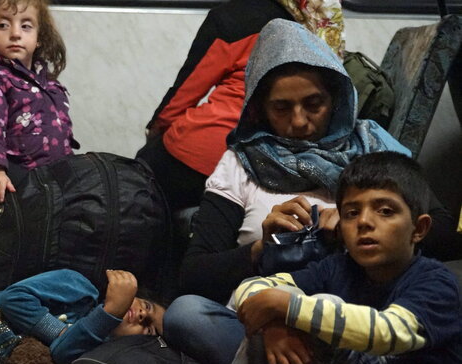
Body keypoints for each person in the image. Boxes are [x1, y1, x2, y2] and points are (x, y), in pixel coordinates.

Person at [174, 18, 461, 306]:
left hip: (359, 311)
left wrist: (354, 228)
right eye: (281, 108)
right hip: (266, 311)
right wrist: (263, 248)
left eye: (314, 105)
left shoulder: (373, 148)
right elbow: (195, 275)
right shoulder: (243, 162)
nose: (299, 122)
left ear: (336, 99)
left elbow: (444, 237)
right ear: (259, 109)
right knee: (188, 312)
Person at [205, 151, 461, 364]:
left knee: (322, 310)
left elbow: (387, 333)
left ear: (419, 229)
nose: (364, 222)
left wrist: (289, 308)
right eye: (351, 213)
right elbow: (249, 290)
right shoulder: (338, 267)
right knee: (274, 305)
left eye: (385, 211)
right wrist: (274, 325)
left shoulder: (436, 283)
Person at [137, 0, 344, 211]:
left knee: (139, 175)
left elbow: (184, 94)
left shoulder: (234, 18)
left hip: (207, 152)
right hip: (280, 164)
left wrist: (155, 132)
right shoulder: (322, 20)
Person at [0, 269, 166, 364]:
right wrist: (60, 333)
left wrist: (109, 315)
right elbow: (13, 299)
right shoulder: (79, 289)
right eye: (147, 306)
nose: (143, 315)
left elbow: (61, 354)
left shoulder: (96, 356)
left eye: (149, 329)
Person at [0, 0, 78, 204]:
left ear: (39, 38)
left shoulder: (50, 83)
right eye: (3, 25)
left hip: (57, 180)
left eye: (26, 26)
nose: (15, 34)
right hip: (21, 181)